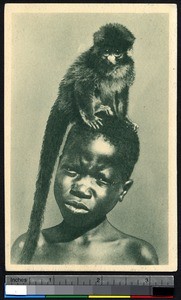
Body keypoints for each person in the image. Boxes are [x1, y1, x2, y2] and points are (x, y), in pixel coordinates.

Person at [11, 116, 158, 265]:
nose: (81, 189)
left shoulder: (137, 255)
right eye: (71, 169)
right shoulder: (28, 248)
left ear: (123, 190)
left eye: (101, 179)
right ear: (58, 165)